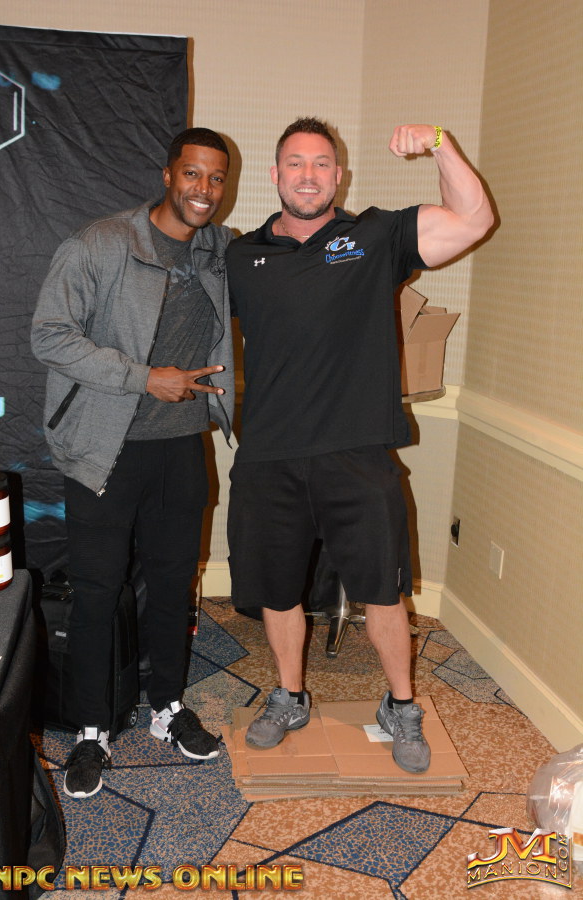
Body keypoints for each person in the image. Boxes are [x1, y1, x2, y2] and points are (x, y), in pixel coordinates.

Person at [226, 118, 493, 774]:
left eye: (322, 163)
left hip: (358, 453)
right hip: (269, 455)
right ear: (275, 175)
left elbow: (474, 219)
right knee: (278, 593)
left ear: (338, 176)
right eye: (295, 163)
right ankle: (289, 696)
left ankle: (401, 705)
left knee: (383, 594)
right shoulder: (241, 257)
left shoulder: (375, 236)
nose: (308, 175)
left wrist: (439, 143)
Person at [31, 127, 235, 798]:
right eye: (192, 174)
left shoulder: (218, 250)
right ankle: (91, 730)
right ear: (168, 174)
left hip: (181, 448)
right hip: (103, 450)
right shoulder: (99, 243)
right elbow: (49, 336)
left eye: (216, 178)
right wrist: (144, 378)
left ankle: (167, 707)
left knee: (174, 587)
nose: (204, 189)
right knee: (97, 592)